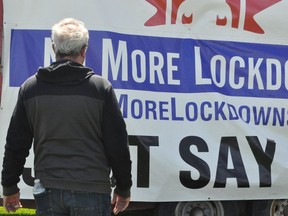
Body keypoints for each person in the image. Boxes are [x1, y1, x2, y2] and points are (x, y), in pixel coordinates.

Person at [1, 18, 132, 216]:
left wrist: (10, 186)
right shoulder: (99, 88)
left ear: (54, 48)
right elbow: (117, 144)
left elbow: (16, 143)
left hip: (48, 191)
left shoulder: (31, 87)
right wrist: (123, 187)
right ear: (84, 51)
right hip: (93, 190)